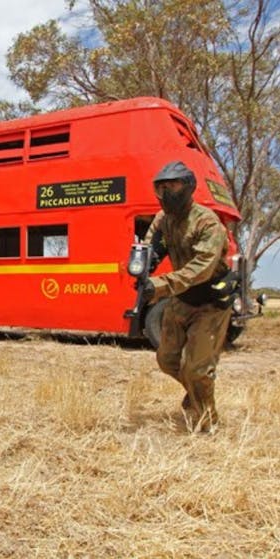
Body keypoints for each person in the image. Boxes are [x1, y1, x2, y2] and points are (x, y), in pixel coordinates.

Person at [142, 161, 236, 433]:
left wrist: (159, 284)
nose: (166, 192)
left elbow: (201, 269)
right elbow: (151, 244)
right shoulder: (163, 219)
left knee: (196, 369)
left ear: (189, 186)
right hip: (181, 299)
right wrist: (141, 262)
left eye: (173, 185)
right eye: (161, 187)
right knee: (167, 360)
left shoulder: (208, 222)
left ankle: (208, 424)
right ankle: (196, 392)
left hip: (210, 302)